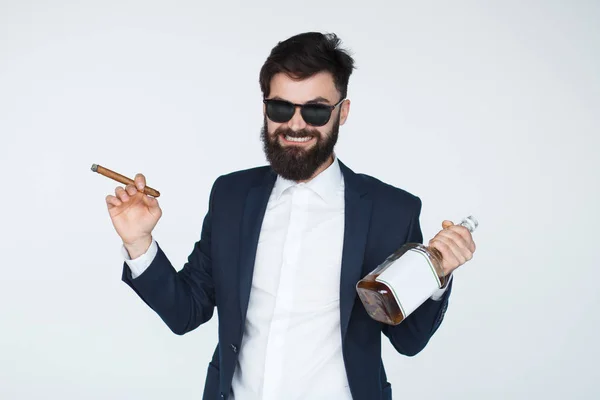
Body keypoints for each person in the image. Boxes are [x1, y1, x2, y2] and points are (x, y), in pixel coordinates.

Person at [105, 32, 476, 400]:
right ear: (264, 106)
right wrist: (139, 243)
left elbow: (408, 341)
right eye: (281, 108)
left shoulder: (391, 210)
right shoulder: (231, 196)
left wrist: (435, 276)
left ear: (341, 113)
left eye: (315, 110)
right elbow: (187, 312)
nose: (295, 125)